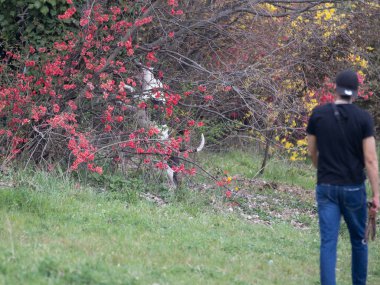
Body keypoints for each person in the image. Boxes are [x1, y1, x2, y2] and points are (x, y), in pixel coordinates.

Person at [306, 69, 379, 285]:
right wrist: (377, 194)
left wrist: (323, 169)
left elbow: (312, 151)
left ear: (335, 89)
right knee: (359, 240)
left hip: (326, 187)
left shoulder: (318, 114)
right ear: (356, 93)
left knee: (328, 242)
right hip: (353, 189)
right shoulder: (363, 118)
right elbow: (371, 160)